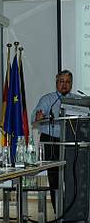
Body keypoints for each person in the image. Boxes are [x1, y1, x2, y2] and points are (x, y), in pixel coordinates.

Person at [32, 69, 76, 211]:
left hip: (71, 140)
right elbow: (36, 115)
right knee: (55, 177)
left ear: (71, 84)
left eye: (68, 82)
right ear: (56, 83)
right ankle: (58, 210)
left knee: (72, 175)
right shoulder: (48, 99)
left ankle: (72, 209)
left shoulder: (76, 100)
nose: (64, 85)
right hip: (51, 141)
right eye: (61, 81)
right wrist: (38, 116)